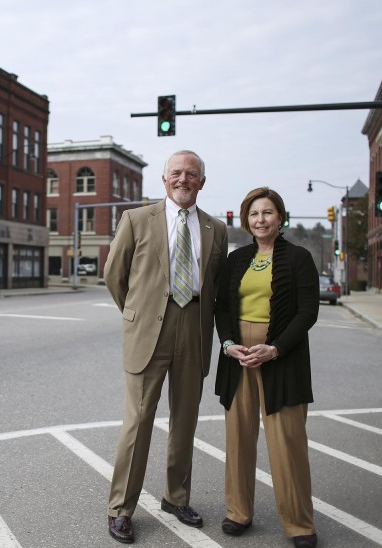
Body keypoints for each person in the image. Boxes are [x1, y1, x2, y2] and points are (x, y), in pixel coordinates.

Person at [104, 150, 228, 544]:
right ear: (164, 179)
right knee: (139, 421)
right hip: (148, 331)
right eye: (176, 173)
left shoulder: (216, 229)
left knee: (185, 420)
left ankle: (176, 498)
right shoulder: (137, 220)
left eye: (192, 174)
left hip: (193, 327)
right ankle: (121, 508)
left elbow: (217, 287)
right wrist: (136, 313)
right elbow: (114, 275)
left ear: (202, 182)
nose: (183, 179)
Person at [214, 187, 319, 548]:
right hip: (238, 356)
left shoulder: (299, 257)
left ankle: (299, 523)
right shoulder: (236, 259)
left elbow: (308, 311)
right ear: (246, 220)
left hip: (281, 357)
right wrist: (228, 344)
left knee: (287, 442)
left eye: (268, 212)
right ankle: (238, 512)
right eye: (254, 214)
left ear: (280, 218)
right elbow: (221, 306)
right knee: (239, 438)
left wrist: (274, 349)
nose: (261, 219)